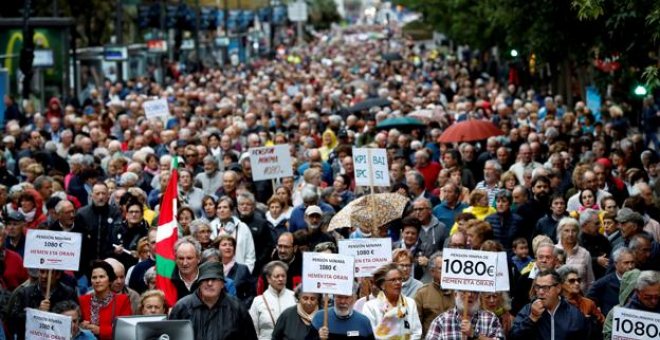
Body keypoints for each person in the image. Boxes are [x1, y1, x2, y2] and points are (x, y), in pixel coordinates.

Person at [169, 261, 258, 340]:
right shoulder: (182, 307)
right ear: (199, 283)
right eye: (205, 279)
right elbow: (171, 336)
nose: (210, 283)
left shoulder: (237, 308)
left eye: (214, 279)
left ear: (223, 284)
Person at [510, 270, 588, 340]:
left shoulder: (574, 314)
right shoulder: (527, 310)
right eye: (537, 287)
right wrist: (532, 318)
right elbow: (513, 336)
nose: (540, 292)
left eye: (545, 287)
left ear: (558, 288)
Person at [6, 269, 79, 340]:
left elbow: (76, 319)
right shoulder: (25, 293)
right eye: (42, 271)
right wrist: (37, 312)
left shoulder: (68, 293)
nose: (44, 276)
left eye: (48, 273)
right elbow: (13, 322)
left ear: (58, 275)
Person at [362, 263, 423, 339]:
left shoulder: (410, 303)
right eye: (393, 280)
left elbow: (416, 332)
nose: (398, 283)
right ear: (382, 285)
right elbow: (371, 335)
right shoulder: (370, 307)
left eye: (399, 279)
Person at [79, 260, 133, 340]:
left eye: (101, 277)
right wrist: (81, 326)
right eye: (94, 277)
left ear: (110, 280)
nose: (97, 281)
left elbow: (125, 330)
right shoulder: (82, 300)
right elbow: (74, 326)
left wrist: (100, 330)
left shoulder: (122, 300)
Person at [425, 290, 505, 340]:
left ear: (479, 296)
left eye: (474, 291)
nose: (469, 294)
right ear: (455, 294)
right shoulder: (441, 321)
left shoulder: (490, 319)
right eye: (464, 291)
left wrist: (474, 334)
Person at [249, 261, 296, 340]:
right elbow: (252, 331)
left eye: (283, 276)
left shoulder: (295, 298)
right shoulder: (258, 301)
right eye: (277, 276)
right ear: (268, 278)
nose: (280, 279)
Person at [210, 196, 256, 273]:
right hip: (218, 272)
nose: (222, 210)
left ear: (231, 210)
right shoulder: (211, 227)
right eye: (219, 208)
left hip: (239, 272)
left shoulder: (243, 227)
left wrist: (245, 272)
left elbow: (250, 254)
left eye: (225, 207)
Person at [557, 265, 604, 339]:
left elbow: (602, 324)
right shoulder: (555, 304)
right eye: (572, 281)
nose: (577, 283)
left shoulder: (589, 303)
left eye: (578, 280)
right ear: (561, 284)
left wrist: (589, 321)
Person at [310, 287, 375, 340]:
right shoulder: (319, 318)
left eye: (347, 297)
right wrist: (319, 337)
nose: (342, 301)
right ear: (334, 297)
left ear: (353, 298)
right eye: (339, 297)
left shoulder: (364, 322)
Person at [414, 252, 455, 337]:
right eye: (441, 269)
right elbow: (415, 326)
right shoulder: (422, 293)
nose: (446, 271)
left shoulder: (458, 293)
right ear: (432, 272)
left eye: (448, 267)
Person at [587, 247, 636, 316]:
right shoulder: (603, 283)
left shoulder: (640, 282)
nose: (630, 266)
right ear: (616, 264)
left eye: (632, 262)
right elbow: (588, 303)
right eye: (626, 263)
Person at [555, 217, 595, 291]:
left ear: (578, 232)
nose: (570, 234)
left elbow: (590, 281)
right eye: (566, 231)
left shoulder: (585, 254)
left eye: (573, 231)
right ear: (560, 232)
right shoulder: (552, 251)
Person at [217, 234, 255, 306]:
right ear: (217, 248)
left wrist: (241, 307)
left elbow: (251, 294)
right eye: (224, 245)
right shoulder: (212, 268)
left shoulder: (243, 269)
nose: (228, 247)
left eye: (231, 245)